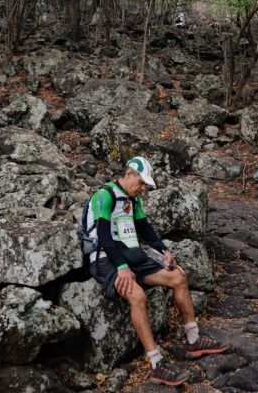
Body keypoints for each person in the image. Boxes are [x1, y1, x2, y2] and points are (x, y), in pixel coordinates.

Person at [87, 156, 229, 387]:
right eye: (141, 183)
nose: (143, 188)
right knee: (137, 296)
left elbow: (144, 228)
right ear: (130, 173)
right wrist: (122, 268)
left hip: (132, 257)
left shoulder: (133, 200)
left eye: (145, 185)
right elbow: (103, 235)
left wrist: (163, 250)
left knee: (178, 276)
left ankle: (193, 339)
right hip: (105, 258)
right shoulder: (104, 195)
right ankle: (156, 363)